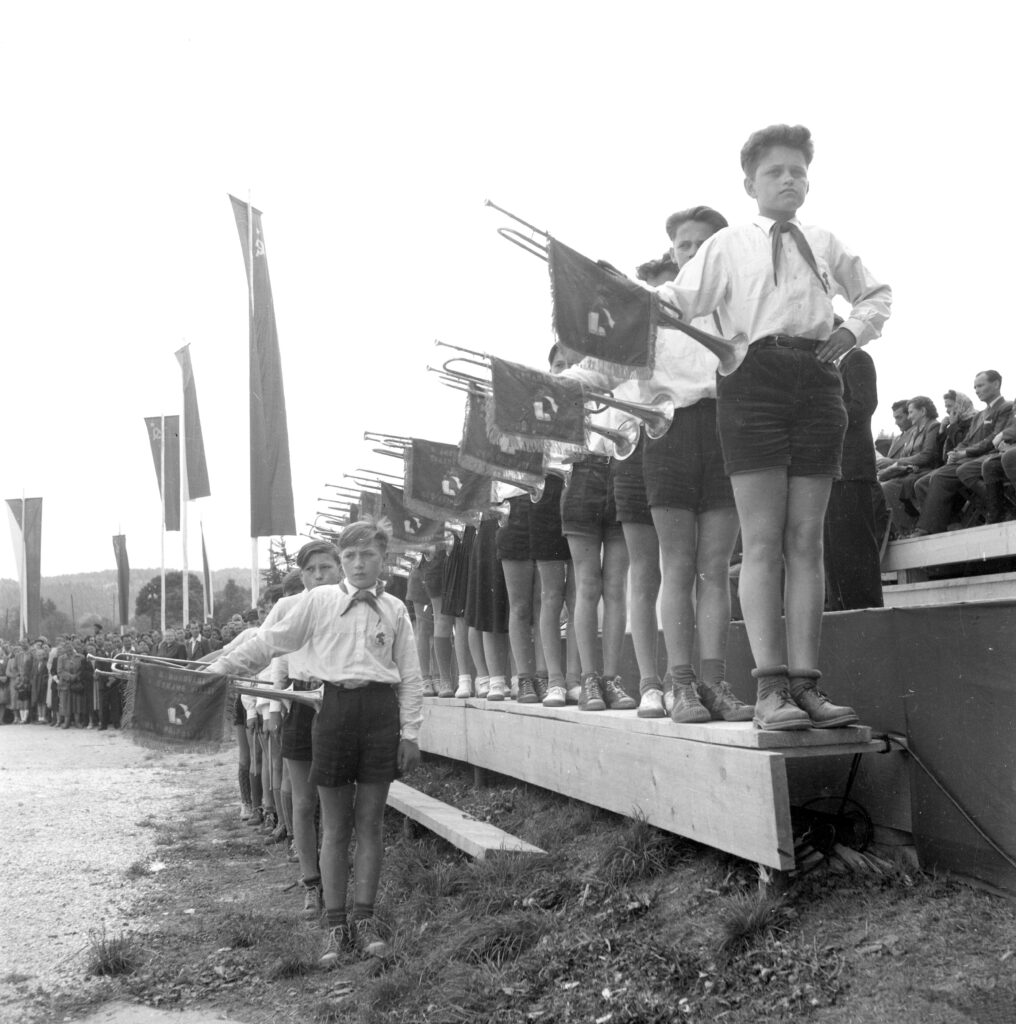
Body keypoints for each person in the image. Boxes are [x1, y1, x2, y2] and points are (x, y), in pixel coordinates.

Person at [657, 124, 891, 729]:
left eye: (798, 171)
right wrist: (636, 301)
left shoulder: (824, 239)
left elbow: (877, 295)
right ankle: (770, 689)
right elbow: (680, 303)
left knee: (806, 540)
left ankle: (807, 684)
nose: (789, 179)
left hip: (818, 377)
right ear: (749, 183)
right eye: (775, 172)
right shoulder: (728, 243)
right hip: (751, 378)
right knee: (761, 541)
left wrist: (852, 331)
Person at [206, 518, 422, 964]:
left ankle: (365, 921)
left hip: (381, 715)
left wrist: (411, 733)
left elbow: (412, 678)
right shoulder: (319, 600)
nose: (359, 564)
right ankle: (335, 926)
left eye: (368, 555)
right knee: (336, 825)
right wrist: (221, 668)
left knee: (371, 824)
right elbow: (271, 641)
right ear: (341, 561)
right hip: (333, 711)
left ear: (384, 559)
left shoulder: (396, 609)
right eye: (350, 556)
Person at [913, 371, 1012, 535]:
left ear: (996, 384)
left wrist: (965, 452)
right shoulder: (979, 415)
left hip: (987, 457)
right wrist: (956, 451)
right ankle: (946, 524)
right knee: (922, 483)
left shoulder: (1006, 407)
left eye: (980, 385)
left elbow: (993, 438)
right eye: (975, 387)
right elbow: (967, 440)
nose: (977, 390)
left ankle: (929, 528)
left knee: (938, 477)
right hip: (969, 458)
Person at [824, 346, 885, 610]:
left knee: (855, 545)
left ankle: (864, 608)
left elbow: (863, 406)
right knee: (835, 547)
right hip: (835, 470)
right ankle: (842, 607)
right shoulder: (835, 365)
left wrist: (821, 415)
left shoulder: (857, 358)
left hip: (852, 469)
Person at [880, 396, 941, 537]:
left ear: (923, 411)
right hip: (911, 471)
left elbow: (927, 455)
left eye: (911, 412)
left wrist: (900, 463)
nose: (910, 416)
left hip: (925, 470)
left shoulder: (933, 426)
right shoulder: (914, 431)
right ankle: (902, 529)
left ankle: (910, 526)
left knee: (888, 487)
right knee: (884, 485)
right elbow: (908, 455)